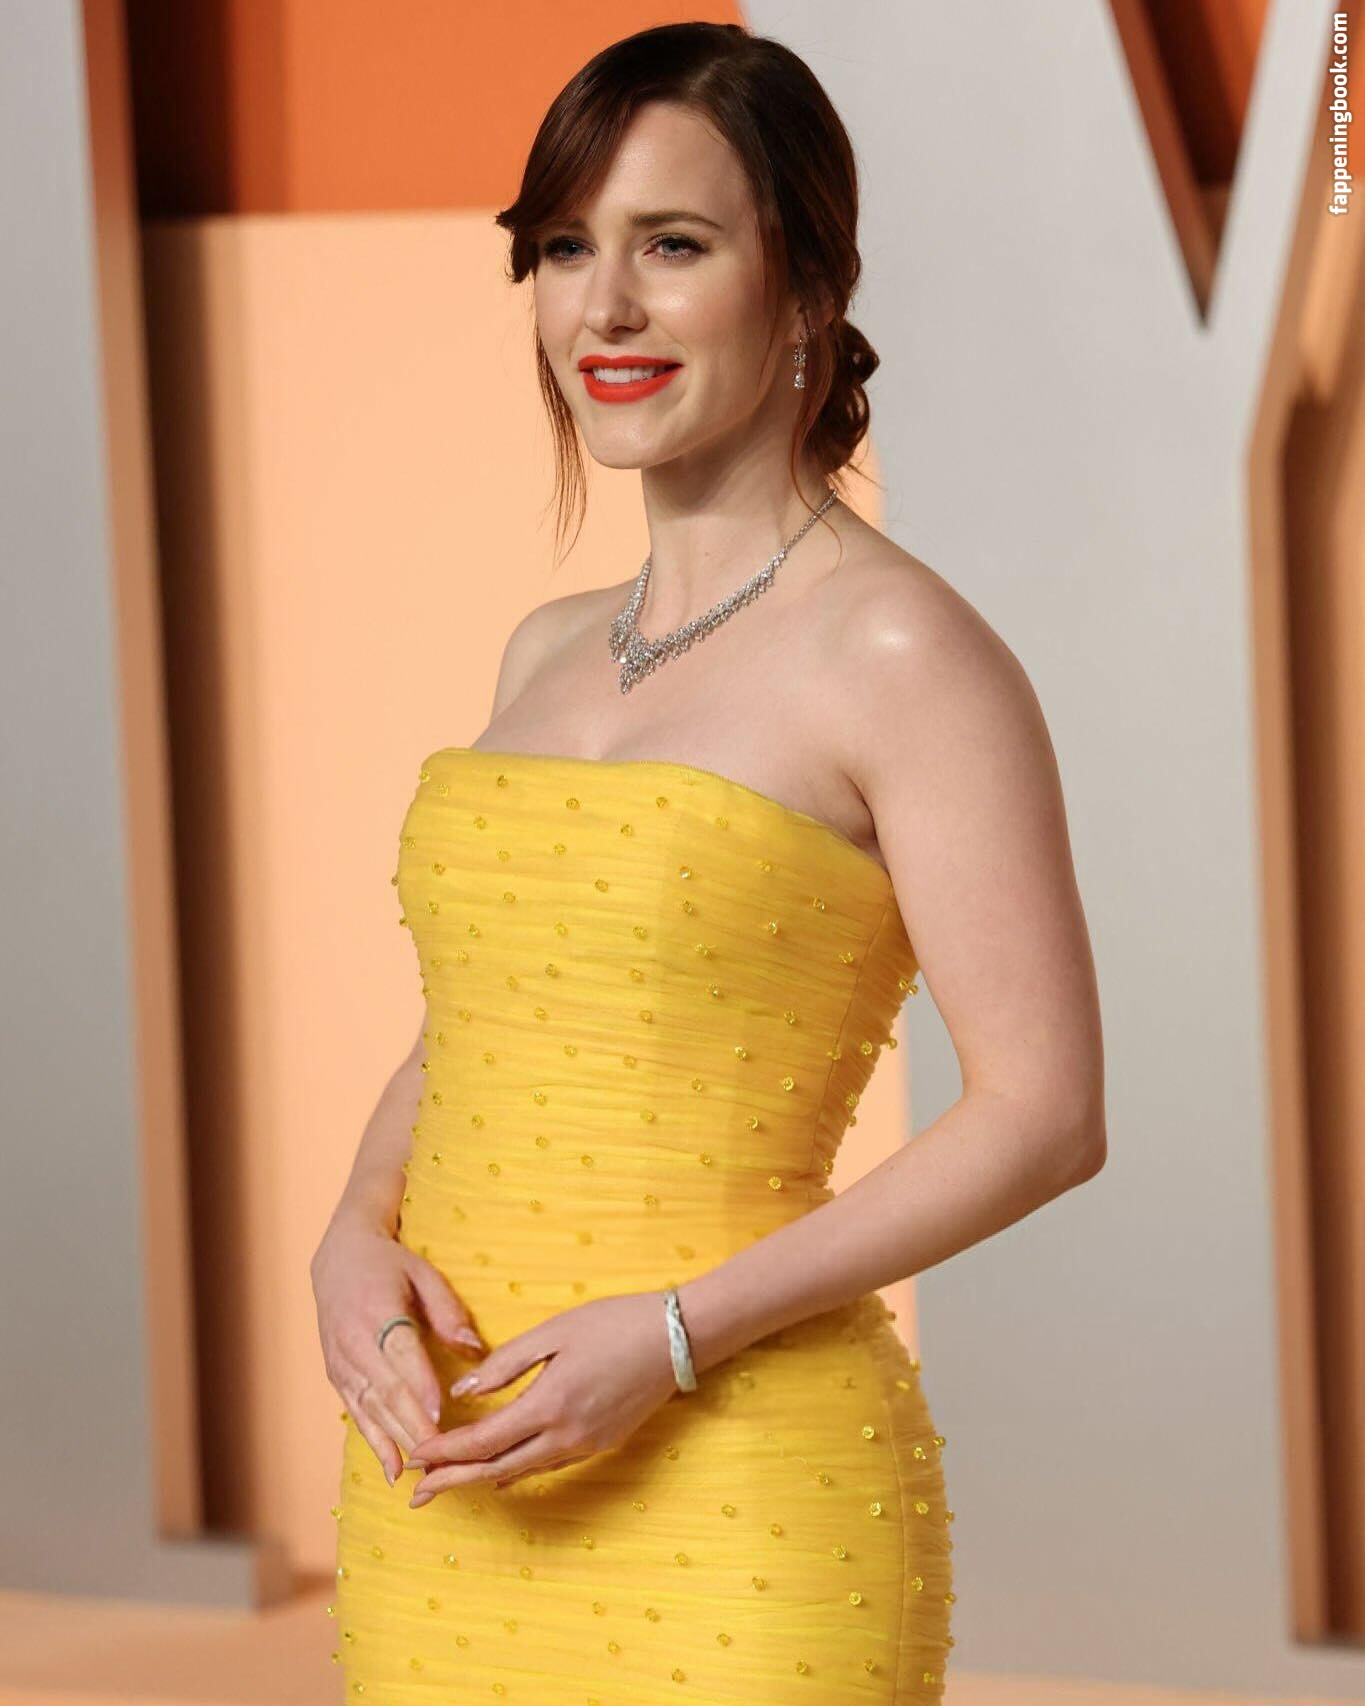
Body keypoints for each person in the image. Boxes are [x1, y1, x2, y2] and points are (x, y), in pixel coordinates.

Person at [311, 20, 1106, 1703]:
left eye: (670, 245)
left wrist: (673, 1335)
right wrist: (348, 1232)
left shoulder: (900, 651)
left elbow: (1045, 1111)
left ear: (805, 285)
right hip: (448, 1475)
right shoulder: (544, 647)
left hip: (742, 1503)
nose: (602, 307)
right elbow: (483, 1022)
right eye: (563, 248)